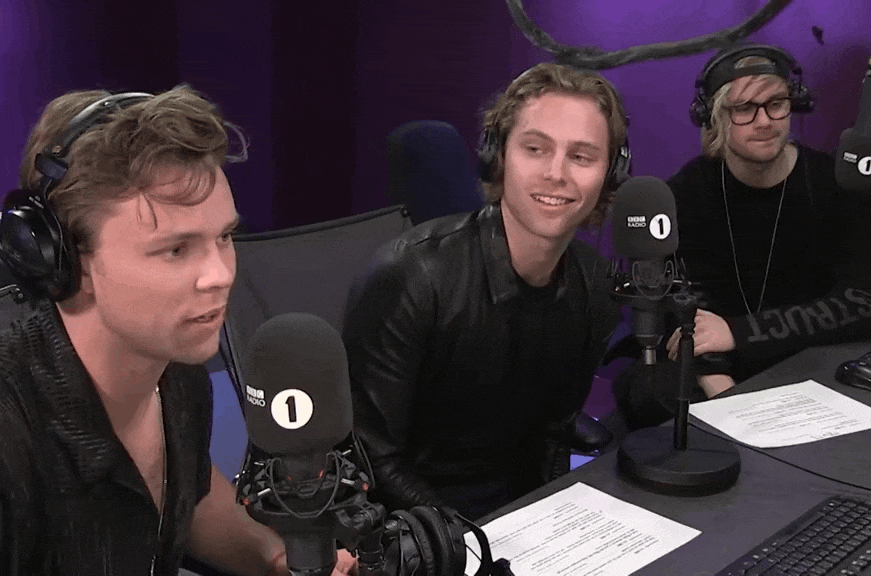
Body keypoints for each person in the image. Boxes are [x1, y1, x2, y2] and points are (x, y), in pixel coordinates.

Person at [0, 87, 357, 575]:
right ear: (66, 263)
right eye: (176, 250)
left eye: (224, 237)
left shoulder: (176, 370)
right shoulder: (12, 435)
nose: (220, 275)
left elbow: (189, 497)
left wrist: (275, 559)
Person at [343, 62, 627, 520]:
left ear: (610, 174)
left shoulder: (595, 285)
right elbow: (372, 459)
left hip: (517, 521)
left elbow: (554, 437)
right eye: (535, 148)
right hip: (414, 528)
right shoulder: (413, 276)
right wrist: (471, 541)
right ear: (498, 156)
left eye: (581, 156)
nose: (556, 173)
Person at [664, 44, 871, 399]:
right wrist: (725, 395)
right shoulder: (687, 193)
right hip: (719, 371)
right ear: (715, 116)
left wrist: (740, 332)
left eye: (775, 103)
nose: (764, 121)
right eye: (744, 108)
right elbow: (690, 316)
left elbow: (863, 303)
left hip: (816, 362)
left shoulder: (841, 187)